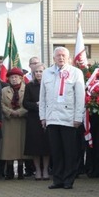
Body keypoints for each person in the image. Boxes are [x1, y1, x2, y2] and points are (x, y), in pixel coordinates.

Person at [39, 47, 85, 189]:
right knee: (56, 151)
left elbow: (80, 97)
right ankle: (57, 179)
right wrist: (43, 116)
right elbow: (43, 97)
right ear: (53, 58)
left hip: (69, 118)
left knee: (69, 151)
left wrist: (78, 117)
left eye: (64, 55)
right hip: (52, 117)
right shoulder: (47, 73)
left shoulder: (76, 73)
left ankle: (68, 180)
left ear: (69, 58)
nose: (61, 58)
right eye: (58, 55)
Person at [0, 67, 30, 179]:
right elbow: (1, 104)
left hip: (22, 121)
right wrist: (10, 112)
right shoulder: (3, 90)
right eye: (12, 77)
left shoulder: (26, 89)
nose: (14, 79)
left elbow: (28, 103)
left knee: (20, 146)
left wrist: (19, 112)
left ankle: (21, 170)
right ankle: (9, 171)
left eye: (16, 77)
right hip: (9, 121)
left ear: (21, 78)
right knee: (9, 147)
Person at [23, 63, 50, 180]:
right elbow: (25, 103)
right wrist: (35, 105)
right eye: (36, 72)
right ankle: (37, 170)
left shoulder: (50, 85)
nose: (38, 74)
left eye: (40, 71)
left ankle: (45, 170)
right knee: (35, 146)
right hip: (34, 118)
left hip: (48, 118)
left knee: (46, 146)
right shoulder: (29, 86)